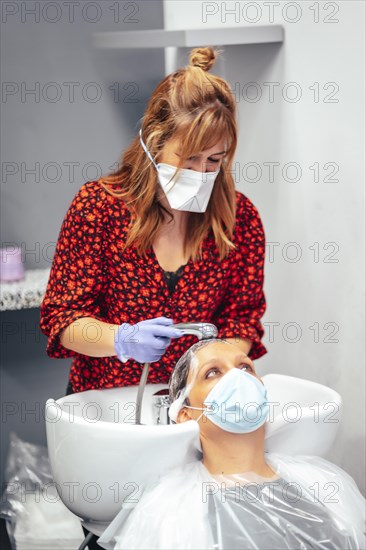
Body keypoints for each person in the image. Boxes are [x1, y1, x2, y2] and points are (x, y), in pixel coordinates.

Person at [39, 46, 268, 548]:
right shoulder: (98, 209)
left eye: (215, 161)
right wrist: (121, 339)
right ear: (151, 142)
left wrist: (213, 365)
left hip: (195, 425)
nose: (204, 175)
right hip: (113, 418)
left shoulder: (238, 218)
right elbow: (61, 317)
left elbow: (244, 322)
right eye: (189, 160)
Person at [97, 339, 366, 550]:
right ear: (185, 414)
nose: (238, 379)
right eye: (212, 372)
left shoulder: (322, 486)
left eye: (245, 367)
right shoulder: (173, 514)